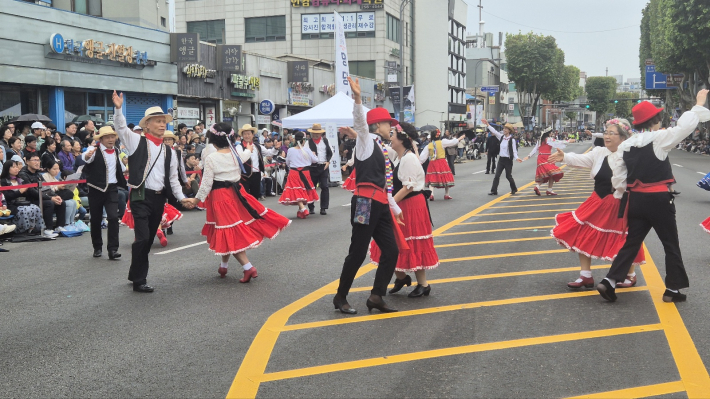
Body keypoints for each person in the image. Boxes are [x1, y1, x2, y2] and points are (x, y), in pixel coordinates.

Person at [597, 90, 710, 303]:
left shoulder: (625, 145)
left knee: (631, 243)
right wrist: (698, 104)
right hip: (658, 200)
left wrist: (621, 196)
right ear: (656, 120)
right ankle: (673, 290)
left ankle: (609, 281)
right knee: (670, 244)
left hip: (636, 201)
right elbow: (684, 128)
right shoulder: (658, 139)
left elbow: (619, 178)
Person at [184, 122, 291, 281]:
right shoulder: (236, 153)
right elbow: (247, 154)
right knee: (227, 228)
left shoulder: (212, 157)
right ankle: (223, 266)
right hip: (237, 193)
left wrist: (196, 199)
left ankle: (248, 267)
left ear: (213, 140)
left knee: (229, 231)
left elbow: (206, 183)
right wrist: (248, 148)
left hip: (221, 197)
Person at [334, 76, 404, 315]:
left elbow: (385, 184)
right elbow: (360, 124)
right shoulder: (365, 140)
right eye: (387, 123)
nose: (391, 126)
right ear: (376, 125)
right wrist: (357, 97)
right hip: (365, 202)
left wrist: (395, 208)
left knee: (391, 250)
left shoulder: (384, 150)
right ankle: (340, 296)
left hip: (381, 203)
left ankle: (376, 296)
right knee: (358, 251)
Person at [112, 90, 194, 293]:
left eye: (163, 121)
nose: (161, 124)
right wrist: (118, 108)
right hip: (140, 196)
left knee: (148, 239)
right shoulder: (135, 141)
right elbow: (121, 128)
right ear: (146, 124)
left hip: (159, 199)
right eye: (157, 121)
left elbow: (174, 179)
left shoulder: (171, 152)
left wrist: (183, 198)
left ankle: (135, 273)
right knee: (141, 238)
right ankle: (140, 279)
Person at [548, 119, 644, 289]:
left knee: (624, 240)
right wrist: (565, 157)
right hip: (597, 200)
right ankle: (585, 276)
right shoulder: (599, 152)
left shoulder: (631, 154)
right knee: (582, 231)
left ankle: (630, 275)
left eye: (611, 133)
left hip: (621, 204)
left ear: (623, 137)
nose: (606, 136)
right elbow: (582, 159)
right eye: (606, 132)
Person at [370, 122, 438, 297]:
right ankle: (401, 277)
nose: (390, 138)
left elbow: (408, 187)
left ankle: (423, 284)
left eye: (393, 135)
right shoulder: (400, 156)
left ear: (402, 139)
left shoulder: (408, 158)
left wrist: (389, 204)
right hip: (404, 204)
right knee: (393, 242)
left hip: (411, 204)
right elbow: (381, 146)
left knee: (410, 243)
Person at [82, 126, 127, 260]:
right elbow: (86, 158)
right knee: (95, 219)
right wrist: (87, 155)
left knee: (113, 217)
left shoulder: (117, 151)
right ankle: (97, 247)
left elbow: (122, 168)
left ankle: (113, 249)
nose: (110, 139)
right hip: (95, 189)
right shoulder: (94, 149)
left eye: (112, 137)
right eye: (107, 137)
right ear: (101, 139)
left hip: (112, 189)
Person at [19, 153, 66, 237]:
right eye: (34, 160)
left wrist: (54, 196)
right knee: (49, 203)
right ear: (27, 162)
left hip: (41, 197)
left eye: (38, 160)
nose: (37, 163)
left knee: (61, 201)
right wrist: (50, 198)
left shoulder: (38, 174)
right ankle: (48, 229)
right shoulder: (23, 174)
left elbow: (46, 187)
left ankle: (59, 226)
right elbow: (31, 192)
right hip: (30, 200)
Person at [0, 160, 47, 236]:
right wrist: (19, 192)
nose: (16, 169)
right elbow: (6, 196)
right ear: (7, 169)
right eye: (13, 167)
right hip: (11, 204)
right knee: (24, 210)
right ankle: (22, 230)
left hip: (23, 202)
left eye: (17, 166)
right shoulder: (3, 181)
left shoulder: (20, 180)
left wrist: (26, 190)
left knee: (35, 208)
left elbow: (27, 193)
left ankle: (36, 229)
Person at [279, 131, 319, 218]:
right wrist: (314, 155)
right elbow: (316, 160)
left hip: (294, 172)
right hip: (305, 172)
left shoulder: (290, 150)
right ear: (303, 140)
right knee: (302, 190)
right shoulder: (307, 150)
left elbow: (288, 162)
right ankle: (302, 208)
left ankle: (302, 209)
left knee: (296, 190)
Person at [419, 129, 464, 200]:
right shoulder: (442, 142)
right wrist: (460, 138)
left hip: (433, 162)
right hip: (442, 162)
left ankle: (432, 194)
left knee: (432, 177)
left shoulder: (429, 145)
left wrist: (419, 163)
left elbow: (422, 157)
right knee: (445, 176)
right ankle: (446, 194)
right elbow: (452, 142)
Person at [483, 120, 521, 196]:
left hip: (508, 160)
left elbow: (514, 151)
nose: (504, 130)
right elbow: (495, 131)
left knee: (508, 176)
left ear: (509, 131)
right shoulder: (501, 137)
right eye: (504, 128)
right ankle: (494, 191)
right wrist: (488, 124)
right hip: (501, 159)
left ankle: (514, 188)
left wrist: (517, 158)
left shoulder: (512, 140)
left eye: (506, 129)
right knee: (497, 175)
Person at [523, 127, 566, 196]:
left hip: (540, 157)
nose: (552, 133)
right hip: (547, 158)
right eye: (551, 132)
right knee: (552, 173)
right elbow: (558, 142)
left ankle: (538, 187)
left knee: (546, 174)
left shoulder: (540, 140)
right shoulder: (548, 139)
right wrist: (568, 141)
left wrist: (529, 156)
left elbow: (535, 149)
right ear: (548, 133)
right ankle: (548, 189)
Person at [306, 123, 333, 215]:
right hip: (313, 167)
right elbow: (304, 154)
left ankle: (323, 208)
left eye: (317, 133)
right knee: (311, 187)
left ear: (321, 133)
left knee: (325, 186)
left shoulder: (325, 141)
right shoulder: (308, 142)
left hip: (323, 166)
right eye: (314, 133)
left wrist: (328, 161)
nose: (316, 135)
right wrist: (310, 155)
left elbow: (330, 152)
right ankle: (311, 207)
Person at [236, 124, 264, 199]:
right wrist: (248, 150)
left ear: (252, 135)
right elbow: (240, 159)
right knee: (245, 197)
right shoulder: (239, 147)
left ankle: (255, 210)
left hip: (256, 174)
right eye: (245, 134)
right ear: (242, 135)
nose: (247, 136)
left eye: (249, 134)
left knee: (255, 196)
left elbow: (268, 152)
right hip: (245, 175)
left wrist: (276, 149)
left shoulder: (257, 146)